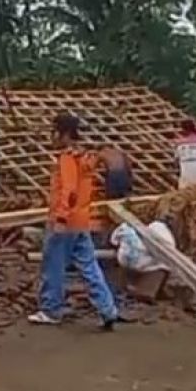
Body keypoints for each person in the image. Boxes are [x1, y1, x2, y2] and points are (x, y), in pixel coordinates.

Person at [28, 113, 126, 330]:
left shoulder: (66, 159)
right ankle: (108, 309)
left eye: (53, 132)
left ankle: (51, 309)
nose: (51, 137)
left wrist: (61, 218)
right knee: (89, 266)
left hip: (64, 221)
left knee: (53, 265)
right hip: (82, 221)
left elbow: (69, 191)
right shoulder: (83, 157)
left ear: (64, 134)